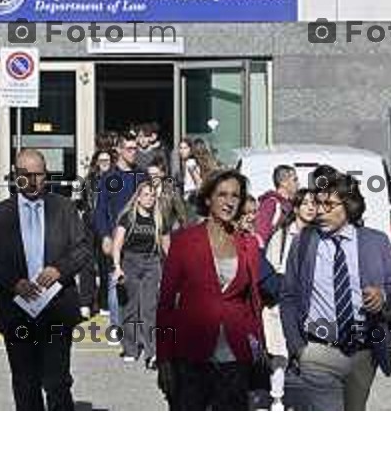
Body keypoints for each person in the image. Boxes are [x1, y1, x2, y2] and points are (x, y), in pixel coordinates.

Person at [0, 149, 91, 411]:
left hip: (56, 310)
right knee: (25, 383)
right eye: (25, 175)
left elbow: (83, 248)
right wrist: (13, 283)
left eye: (37, 174)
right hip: (17, 311)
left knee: (57, 381)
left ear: (46, 176)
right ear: (15, 176)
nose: (31, 180)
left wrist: (59, 270)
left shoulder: (64, 208)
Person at [280, 172, 391, 411]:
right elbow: (288, 296)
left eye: (329, 205)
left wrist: (383, 296)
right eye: (318, 204)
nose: (320, 211)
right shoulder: (304, 242)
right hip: (317, 351)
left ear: (349, 205)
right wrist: (297, 347)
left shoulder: (376, 242)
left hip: (363, 353)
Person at [156, 169, 264, 410]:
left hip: (235, 357)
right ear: (208, 199)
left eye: (235, 196)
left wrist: (258, 345)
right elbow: (165, 303)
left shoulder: (247, 243)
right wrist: (164, 359)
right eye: (222, 195)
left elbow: (252, 301)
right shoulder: (184, 241)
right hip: (191, 354)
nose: (229, 202)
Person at [263, 188, 318, 408]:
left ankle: (302, 400)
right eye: (305, 203)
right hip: (280, 304)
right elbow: (270, 269)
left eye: (314, 203)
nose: (311, 207)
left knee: (307, 355)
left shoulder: (319, 235)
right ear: (295, 208)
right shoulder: (283, 235)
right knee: (280, 356)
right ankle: (277, 399)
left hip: (310, 305)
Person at [93, 131, 143, 337]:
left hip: (140, 237)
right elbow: (100, 210)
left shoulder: (142, 176)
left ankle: (136, 327)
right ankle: (116, 326)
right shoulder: (109, 178)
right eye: (130, 149)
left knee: (138, 284)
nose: (134, 152)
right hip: (116, 238)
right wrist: (105, 236)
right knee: (116, 281)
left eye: (136, 149)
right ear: (120, 150)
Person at [112, 181, 164, 369]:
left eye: (152, 195)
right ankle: (130, 348)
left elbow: (166, 246)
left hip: (152, 263)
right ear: (138, 197)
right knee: (130, 308)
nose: (149, 198)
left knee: (149, 309)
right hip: (130, 262)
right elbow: (117, 245)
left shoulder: (158, 219)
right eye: (146, 195)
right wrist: (117, 267)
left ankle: (152, 352)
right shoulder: (128, 217)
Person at [77, 149, 115, 318]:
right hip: (89, 224)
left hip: (107, 225)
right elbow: (81, 201)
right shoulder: (89, 180)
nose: (104, 163)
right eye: (101, 161)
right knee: (87, 263)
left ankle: (105, 303)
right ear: (96, 163)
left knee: (106, 264)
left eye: (107, 160)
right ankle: (86, 302)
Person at [146, 157, 187, 254]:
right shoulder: (144, 191)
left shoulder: (171, 192)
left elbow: (182, 216)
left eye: (155, 174)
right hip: (149, 237)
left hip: (167, 236)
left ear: (162, 174)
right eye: (150, 174)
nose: (152, 177)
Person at [254, 165, 299, 249]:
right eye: (295, 180)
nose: (298, 184)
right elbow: (260, 236)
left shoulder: (289, 205)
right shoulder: (271, 203)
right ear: (283, 183)